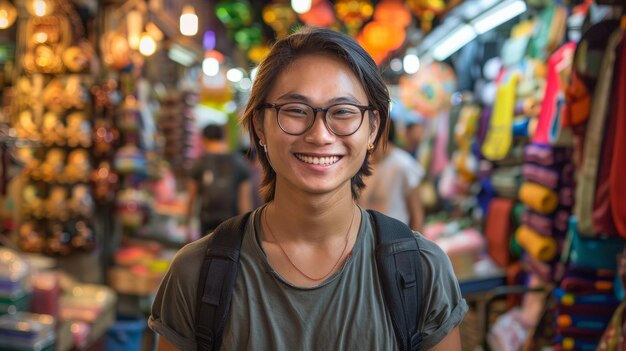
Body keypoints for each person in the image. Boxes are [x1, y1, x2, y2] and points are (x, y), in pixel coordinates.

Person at [150, 27, 467, 350]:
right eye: (296, 111)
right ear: (260, 125)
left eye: (342, 112)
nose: (319, 135)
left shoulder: (422, 270)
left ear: (372, 128)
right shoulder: (197, 273)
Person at [186, 124, 252, 240]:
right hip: (232, 226)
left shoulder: (200, 163)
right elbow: (244, 202)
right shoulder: (240, 163)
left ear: (204, 139)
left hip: (207, 224)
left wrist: (188, 226)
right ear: (223, 137)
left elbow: (191, 198)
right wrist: (247, 233)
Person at [360, 119, 425, 231]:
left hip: (396, 239)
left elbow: (417, 214)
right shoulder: (359, 164)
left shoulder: (404, 164)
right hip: (366, 237)